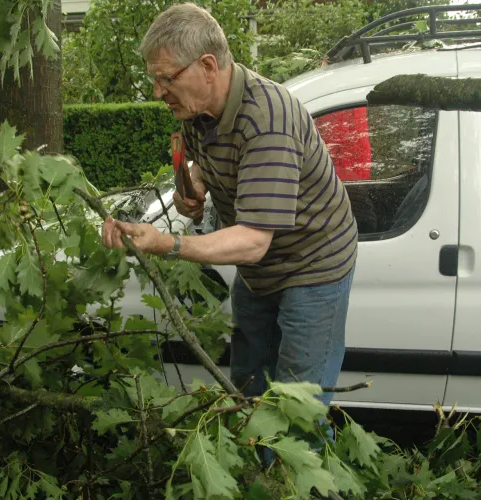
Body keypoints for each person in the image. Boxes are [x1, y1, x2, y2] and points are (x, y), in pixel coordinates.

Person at [101, 2, 358, 436]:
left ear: (206, 66)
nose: (157, 91)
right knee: (250, 388)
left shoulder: (267, 119)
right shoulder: (199, 110)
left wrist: (168, 243)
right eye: (154, 79)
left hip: (313, 269)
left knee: (299, 410)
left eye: (166, 78)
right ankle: (257, 468)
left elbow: (254, 240)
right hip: (258, 272)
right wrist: (195, 183)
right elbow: (217, 166)